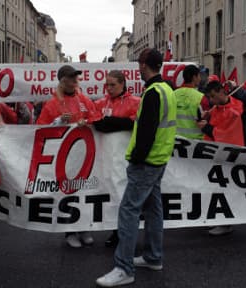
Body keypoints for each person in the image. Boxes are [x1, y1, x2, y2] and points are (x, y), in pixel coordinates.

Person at [96, 48, 177, 287]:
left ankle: (124, 268)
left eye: (139, 64)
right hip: (159, 159)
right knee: (153, 209)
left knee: (128, 211)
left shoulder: (152, 92)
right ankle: (153, 257)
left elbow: (146, 133)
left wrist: (136, 160)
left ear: (143, 64)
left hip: (146, 162)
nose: (138, 68)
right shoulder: (166, 90)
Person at [37, 64, 100, 247]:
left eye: (76, 78)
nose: (75, 81)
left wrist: (86, 121)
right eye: (72, 79)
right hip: (64, 157)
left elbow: (96, 117)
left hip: (85, 154)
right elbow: (40, 128)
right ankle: (70, 231)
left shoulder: (84, 100)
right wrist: (57, 122)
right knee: (68, 193)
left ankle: (84, 227)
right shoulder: (53, 103)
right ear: (63, 81)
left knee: (86, 191)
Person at [93, 70, 141, 247]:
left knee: (124, 197)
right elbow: (98, 123)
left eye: (113, 84)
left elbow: (133, 123)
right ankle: (116, 231)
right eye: (107, 84)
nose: (109, 88)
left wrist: (110, 121)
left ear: (123, 84)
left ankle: (127, 234)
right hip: (106, 159)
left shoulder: (135, 102)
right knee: (111, 195)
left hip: (126, 159)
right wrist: (118, 122)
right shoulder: (101, 102)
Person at [197, 80, 244, 236]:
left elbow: (227, 137)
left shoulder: (233, 111)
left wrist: (207, 127)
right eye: (209, 97)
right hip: (215, 155)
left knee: (224, 189)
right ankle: (220, 219)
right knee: (217, 188)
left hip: (226, 158)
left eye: (212, 96)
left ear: (221, 92)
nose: (211, 101)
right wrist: (206, 120)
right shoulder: (217, 108)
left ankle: (225, 222)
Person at [174, 64, 204, 139]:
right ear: (194, 77)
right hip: (195, 143)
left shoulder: (173, 94)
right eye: (199, 76)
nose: (200, 79)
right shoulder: (201, 97)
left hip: (176, 141)